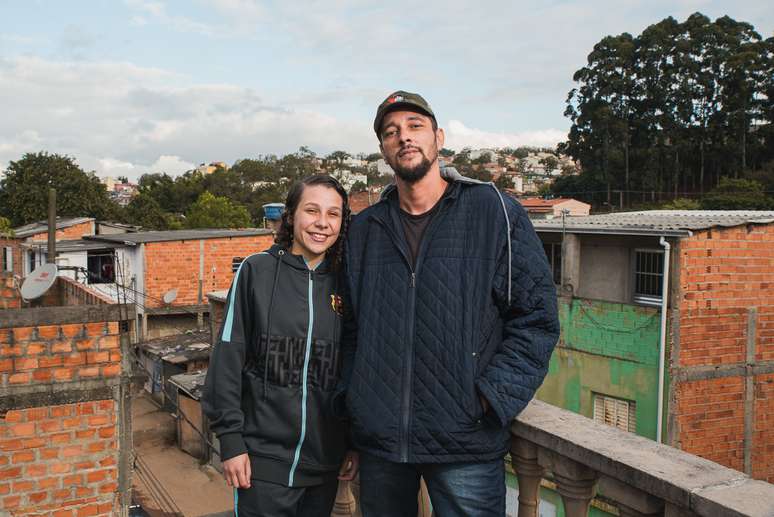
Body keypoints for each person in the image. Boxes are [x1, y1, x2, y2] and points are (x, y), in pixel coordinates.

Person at [334, 91, 560, 516]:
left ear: (438, 137)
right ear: (383, 149)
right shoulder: (364, 231)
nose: (404, 137)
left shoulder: (494, 211)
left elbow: (536, 319)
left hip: (465, 442)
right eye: (391, 131)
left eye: (415, 127)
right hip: (381, 444)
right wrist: (354, 410)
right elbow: (349, 331)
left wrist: (488, 397)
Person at [203, 175, 358, 517]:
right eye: (312, 210)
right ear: (290, 216)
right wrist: (230, 441)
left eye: (333, 214)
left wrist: (351, 443)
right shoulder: (255, 272)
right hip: (262, 465)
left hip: (325, 465)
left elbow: (351, 369)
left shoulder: (347, 283)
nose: (322, 223)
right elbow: (228, 359)